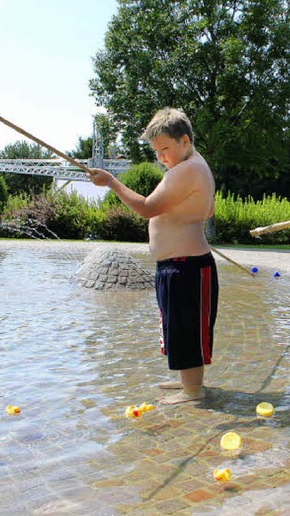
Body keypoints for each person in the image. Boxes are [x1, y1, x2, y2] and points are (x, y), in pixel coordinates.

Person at [89, 108, 218, 405]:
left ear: (184, 141)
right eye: (156, 151)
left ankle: (194, 390)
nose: (160, 157)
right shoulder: (192, 167)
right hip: (177, 264)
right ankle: (187, 381)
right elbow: (208, 209)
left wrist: (111, 182)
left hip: (188, 266)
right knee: (176, 326)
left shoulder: (189, 169)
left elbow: (147, 208)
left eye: (165, 149)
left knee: (187, 328)